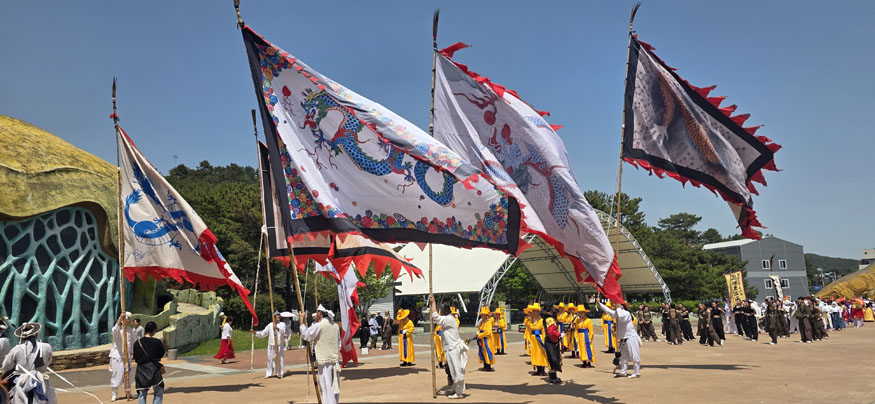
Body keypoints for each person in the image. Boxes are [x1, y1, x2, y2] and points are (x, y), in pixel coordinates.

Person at [2, 322, 57, 404]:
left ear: (22, 336)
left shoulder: (17, 349)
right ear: (36, 333)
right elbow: (48, 362)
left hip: (21, 382)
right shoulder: (47, 347)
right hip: (41, 381)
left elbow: (6, 366)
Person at [300, 305, 342, 404]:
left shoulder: (319, 325)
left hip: (325, 362)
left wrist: (301, 321)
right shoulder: (335, 325)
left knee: (327, 388)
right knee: (333, 388)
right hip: (334, 360)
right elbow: (339, 344)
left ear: (320, 312)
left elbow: (307, 335)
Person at [429, 296, 467, 399]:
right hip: (450, 348)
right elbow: (435, 316)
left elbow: (435, 316)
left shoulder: (449, 319)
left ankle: (459, 393)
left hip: (454, 348)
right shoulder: (448, 319)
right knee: (452, 370)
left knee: (456, 369)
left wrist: (433, 303)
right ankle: (455, 388)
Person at [598, 301, 640, 379]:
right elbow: (609, 311)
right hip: (623, 338)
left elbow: (621, 317)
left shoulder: (626, 314)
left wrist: (617, 307)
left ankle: (636, 372)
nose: (613, 305)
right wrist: (600, 304)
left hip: (630, 337)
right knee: (623, 356)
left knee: (634, 355)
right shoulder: (618, 313)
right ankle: (623, 372)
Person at [132, 321, 165, 404]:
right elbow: (161, 354)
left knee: (142, 395)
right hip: (154, 369)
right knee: (158, 392)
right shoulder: (157, 342)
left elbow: (135, 357)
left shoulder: (137, 343)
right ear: (154, 330)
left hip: (141, 370)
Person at [252, 311, 288, 378]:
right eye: (277, 316)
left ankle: (280, 373)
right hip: (271, 344)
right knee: (270, 359)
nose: (278, 317)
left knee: (280, 359)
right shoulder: (270, 325)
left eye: (279, 316)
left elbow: (283, 331)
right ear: (274, 317)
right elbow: (264, 333)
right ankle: (269, 373)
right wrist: (255, 333)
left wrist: (277, 328)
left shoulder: (282, 324)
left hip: (279, 344)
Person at [110, 312, 135, 401]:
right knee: (116, 375)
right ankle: (114, 394)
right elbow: (114, 331)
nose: (130, 321)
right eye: (128, 318)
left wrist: (132, 353)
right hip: (117, 356)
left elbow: (132, 342)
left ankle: (128, 392)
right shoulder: (117, 329)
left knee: (128, 376)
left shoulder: (130, 330)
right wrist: (120, 318)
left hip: (127, 357)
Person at [528, 303, 549, 376]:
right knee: (535, 353)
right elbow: (529, 329)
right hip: (533, 338)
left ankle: (542, 370)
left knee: (541, 353)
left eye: (535, 311)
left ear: (538, 312)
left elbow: (543, 330)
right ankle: (538, 369)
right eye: (533, 311)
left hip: (540, 338)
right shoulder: (531, 320)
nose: (534, 313)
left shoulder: (541, 320)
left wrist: (544, 340)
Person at [475, 307, 495, 371]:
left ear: (487, 315)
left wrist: (480, 335)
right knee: (482, 352)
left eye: (483, 314)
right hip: (482, 339)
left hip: (487, 340)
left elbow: (488, 332)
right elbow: (480, 329)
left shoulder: (488, 322)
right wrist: (478, 333)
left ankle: (488, 366)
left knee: (487, 352)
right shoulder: (482, 322)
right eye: (481, 314)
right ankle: (485, 366)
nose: (482, 315)